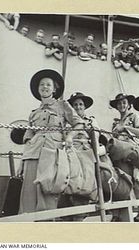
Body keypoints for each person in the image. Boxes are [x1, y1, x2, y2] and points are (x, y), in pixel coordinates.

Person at [18, 69, 84, 214]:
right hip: (32, 154)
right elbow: (28, 139)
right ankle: (26, 225)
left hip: (52, 153)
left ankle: (47, 225)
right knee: (28, 193)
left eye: (48, 84)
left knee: (48, 190)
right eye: (41, 84)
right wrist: (21, 162)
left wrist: (69, 137)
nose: (44, 87)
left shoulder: (63, 105)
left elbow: (79, 123)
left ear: (54, 89)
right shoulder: (33, 113)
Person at [56, 92, 98, 221]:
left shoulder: (91, 120)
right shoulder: (67, 122)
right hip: (70, 151)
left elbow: (96, 138)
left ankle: (80, 215)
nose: (78, 107)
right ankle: (65, 213)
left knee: (84, 182)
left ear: (85, 107)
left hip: (85, 151)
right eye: (75, 105)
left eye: (81, 104)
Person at [109, 93, 139, 221]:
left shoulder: (134, 117)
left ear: (129, 105)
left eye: (124, 103)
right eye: (119, 103)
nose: (122, 105)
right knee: (121, 182)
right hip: (119, 154)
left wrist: (125, 127)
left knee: (138, 182)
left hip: (132, 152)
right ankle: (120, 213)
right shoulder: (115, 123)